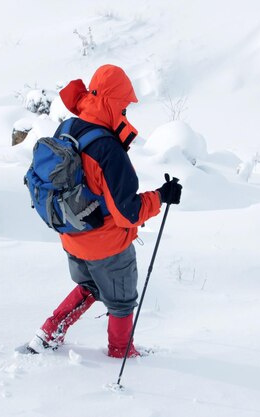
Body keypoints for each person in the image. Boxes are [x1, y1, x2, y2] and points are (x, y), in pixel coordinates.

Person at [27, 64, 182, 358]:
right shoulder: (108, 149)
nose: (125, 112)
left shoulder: (68, 127)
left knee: (89, 285)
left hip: (72, 234)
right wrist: (161, 196)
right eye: (123, 105)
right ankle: (121, 353)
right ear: (112, 101)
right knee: (121, 302)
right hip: (107, 244)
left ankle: (48, 332)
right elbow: (128, 213)